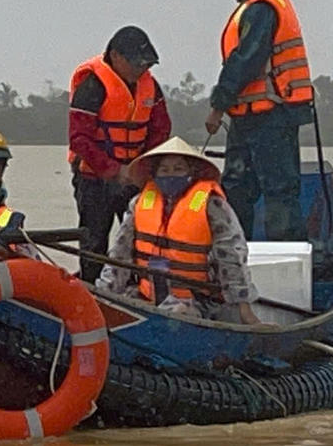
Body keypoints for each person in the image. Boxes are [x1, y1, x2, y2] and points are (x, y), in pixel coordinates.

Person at [203, 0, 314, 242]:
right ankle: (236, 259)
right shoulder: (255, 7)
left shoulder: (262, 9)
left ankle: (285, 264)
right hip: (249, 117)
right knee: (237, 188)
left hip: (272, 116)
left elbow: (245, 61)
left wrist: (217, 106)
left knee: (278, 191)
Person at [96, 137, 260, 324]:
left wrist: (244, 310)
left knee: (177, 313)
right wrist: (103, 295)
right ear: (154, 173)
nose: (171, 175)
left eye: (178, 169)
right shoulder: (139, 203)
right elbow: (119, 254)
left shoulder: (212, 205)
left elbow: (231, 256)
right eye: (164, 170)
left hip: (197, 302)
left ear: (192, 172)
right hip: (145, 296)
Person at [67, 25, 171, 280]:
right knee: (94, 241)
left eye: (146, 65)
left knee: (143, 237)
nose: (142, 70)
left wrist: (143, 166)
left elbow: (161, 129)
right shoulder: (92, 86)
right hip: (94, 178)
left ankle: (141, 288)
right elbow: (79, 139)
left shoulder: (150, 87)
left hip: (135, 178)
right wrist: (113, 170)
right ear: (116, 56)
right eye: (137, 63)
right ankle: (91, 290)